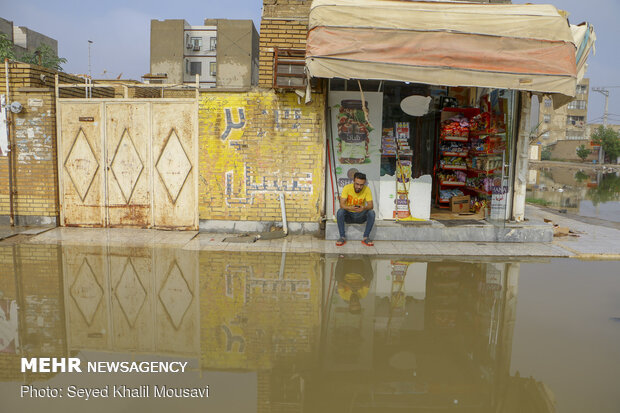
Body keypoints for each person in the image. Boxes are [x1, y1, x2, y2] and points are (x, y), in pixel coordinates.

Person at [336, 172, 375, 246]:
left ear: (364, 183)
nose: (359, 187)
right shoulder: (347, 188)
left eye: (361, 185)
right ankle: (342, 237)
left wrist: (364, 208)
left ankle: (366, 237)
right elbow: (341, 205)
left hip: (360, 216)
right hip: (349, 216)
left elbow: (371, 205)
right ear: (353, 181)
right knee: (340, 212)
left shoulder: (367, 189)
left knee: (371, 212)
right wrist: (350, 208)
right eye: (357, 184)